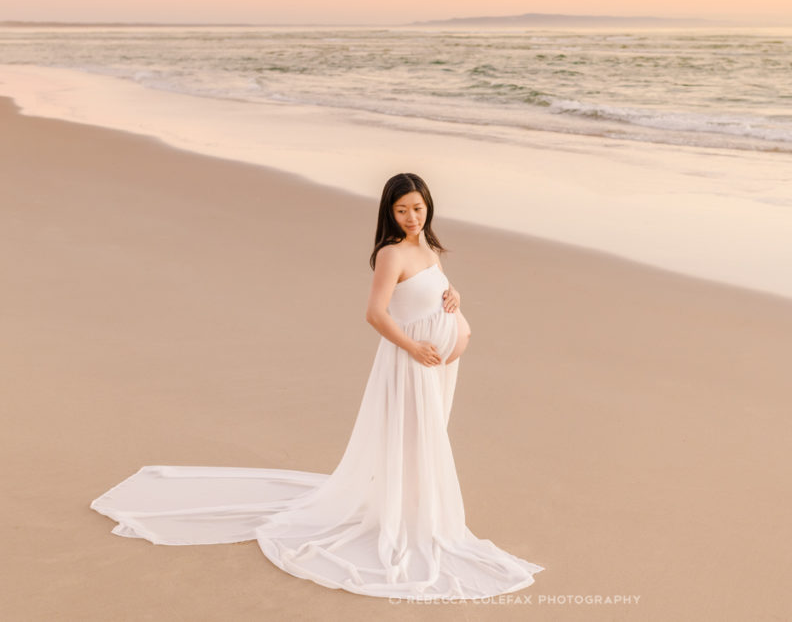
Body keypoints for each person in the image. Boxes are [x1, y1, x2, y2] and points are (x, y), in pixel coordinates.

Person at [90, 173, 544, 600]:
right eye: (403, 210)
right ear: (390, 212)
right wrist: (413, 347)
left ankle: (410, 504)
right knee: (415, 437)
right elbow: (377, 314)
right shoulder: (391, 254)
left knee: (425, 436)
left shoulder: (429, 248)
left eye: (418, 208)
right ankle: (405, 515)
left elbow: (432, 290)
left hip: (435, 365)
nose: (412, 217)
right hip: (410, 362)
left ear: (429, 208)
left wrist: (455, 298)